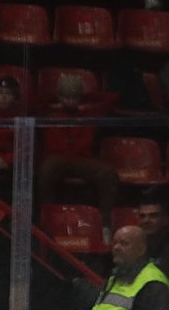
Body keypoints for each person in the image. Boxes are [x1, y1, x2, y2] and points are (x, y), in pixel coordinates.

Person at [36, 74, 120, 240]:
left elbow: (112, 99)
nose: (70, 101)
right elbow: (33, 99)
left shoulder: (90, 111)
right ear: (59, 96)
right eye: (66, 97)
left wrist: (85, 96)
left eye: (74, 97)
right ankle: (46, 222)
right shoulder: (48, 111)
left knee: (109, 172)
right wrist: (56, 99)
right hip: (57, 159)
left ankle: (104, 225)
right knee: (46, 170)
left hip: (82, 160)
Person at [136, 194, 169, 283]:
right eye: (142, 216)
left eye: (153, 216)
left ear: (166, 219)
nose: (146, 221)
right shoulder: (134, 246)